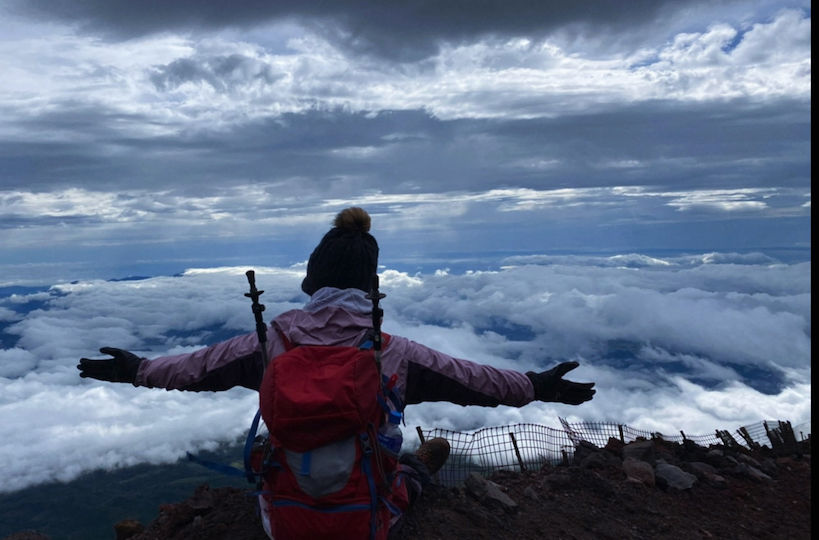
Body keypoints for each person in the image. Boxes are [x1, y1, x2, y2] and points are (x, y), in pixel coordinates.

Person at [78, 206, 595, 539]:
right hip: (367, 523)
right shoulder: (393, 354)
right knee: (413, 468)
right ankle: (419, 470)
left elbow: (198, 367)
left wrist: (137, 369)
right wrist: (537, 385)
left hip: (280, 521)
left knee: (269, 452)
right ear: (373, 285)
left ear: (310, 281)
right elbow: (475, 379)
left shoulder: (271, 341)